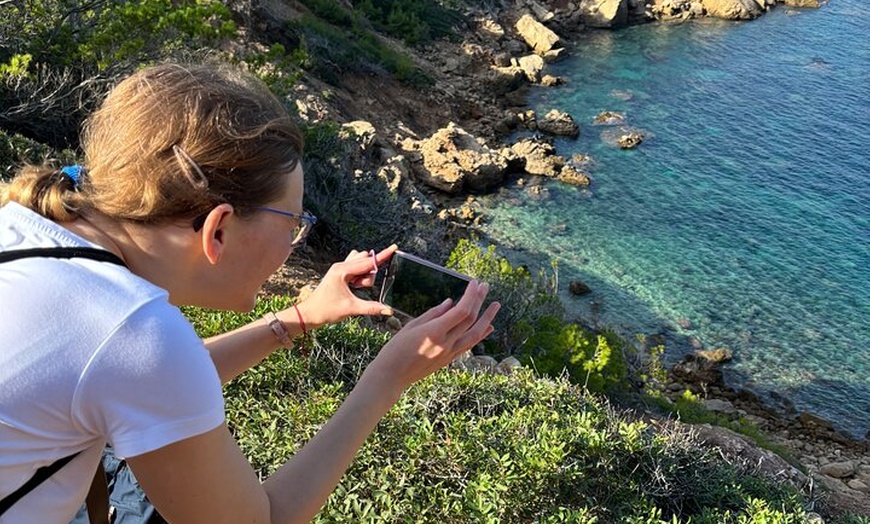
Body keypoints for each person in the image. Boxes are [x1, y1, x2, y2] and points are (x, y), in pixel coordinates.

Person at [0, 62, 500, 523]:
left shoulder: (27, 230)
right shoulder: (134, 333)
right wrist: (387, 379)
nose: (295, 240)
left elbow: (131, 375)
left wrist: (300, 316)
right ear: (218, 229)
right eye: (293, 223)